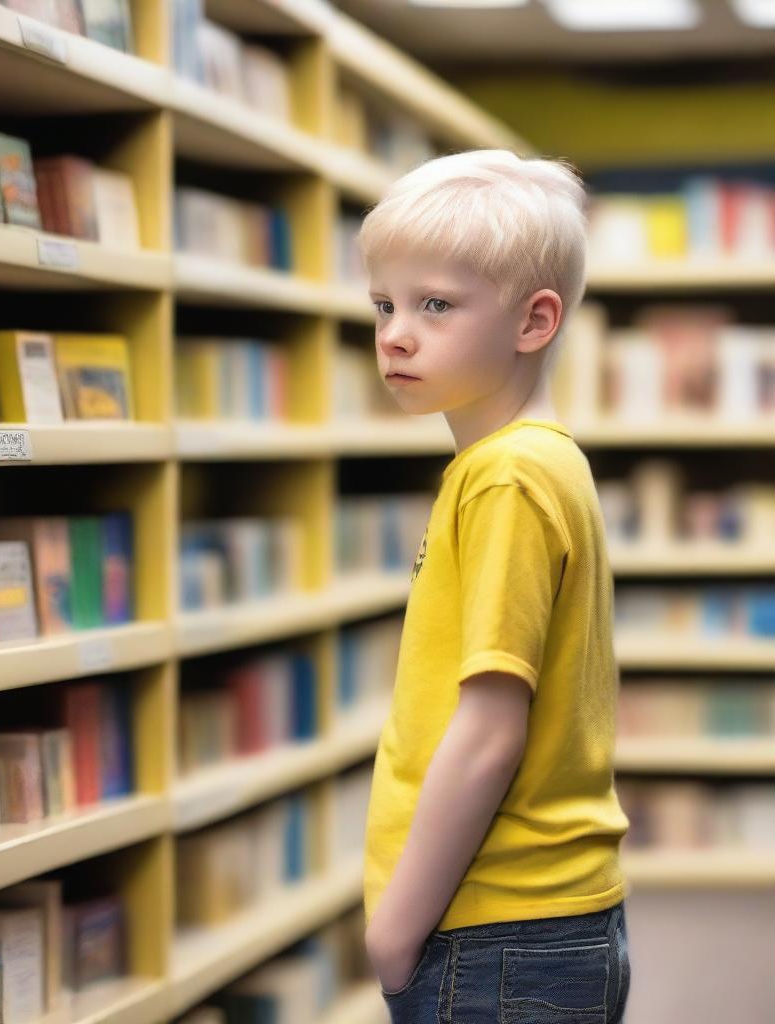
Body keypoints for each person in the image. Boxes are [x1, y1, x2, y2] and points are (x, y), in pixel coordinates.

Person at [360, 149, 632, 1023]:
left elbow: (487, 731)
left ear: (533, 320)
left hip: (494, 926)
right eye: (385, 305)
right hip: (535, 923)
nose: (396, 333)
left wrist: (395, 931)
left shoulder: (506, 477)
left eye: (435, 304)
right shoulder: (537, 460)